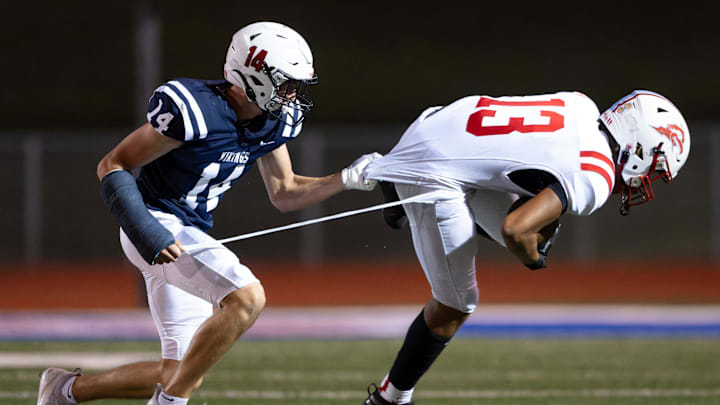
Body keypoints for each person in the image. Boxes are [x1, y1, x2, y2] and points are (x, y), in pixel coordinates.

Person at [36, 21, 379, 405]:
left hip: (188, 234)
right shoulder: (195, 108)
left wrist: (346, 179)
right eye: (286, 83)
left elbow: (285, 192)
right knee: (247, 297)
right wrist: (146, 231)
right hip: (154, 223)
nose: (292, 95)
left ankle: (64, 391)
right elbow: (113, 165)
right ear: (254, 75)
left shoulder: (275, 120)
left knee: (180, 371)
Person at [360, 90, 690, 404]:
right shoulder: (597, 175)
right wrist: (532, 259)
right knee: (458, 302)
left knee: (532, 224)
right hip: (433, 170)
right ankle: (390, 399)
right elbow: (514, 230)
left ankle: (399, 185)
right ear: (641, 148)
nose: (649, 179)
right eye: (656, 168)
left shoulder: (580, 105)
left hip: (432, 126)